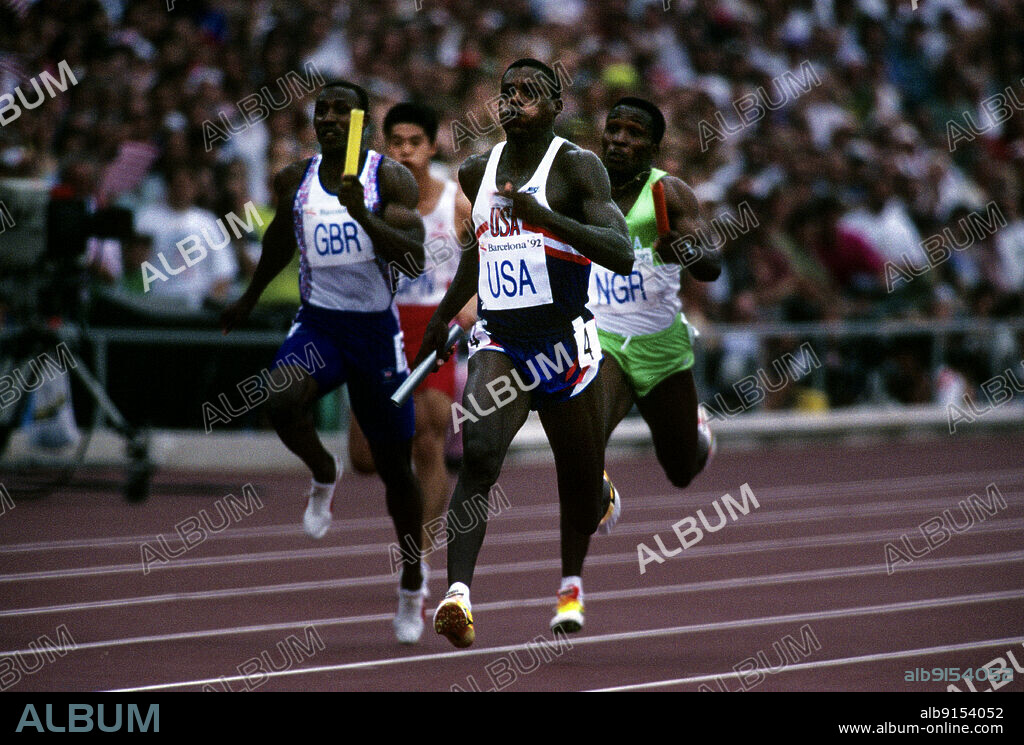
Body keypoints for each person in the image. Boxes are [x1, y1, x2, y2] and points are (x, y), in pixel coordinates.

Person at [413, 59, 633, 648]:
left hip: (563, 345)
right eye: (506, 92)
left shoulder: (577, 167)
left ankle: (598, 490)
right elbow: (478, 253)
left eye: (528, 93)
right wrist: (440, 317)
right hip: (502, 340)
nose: (513, 101)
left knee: (580, 491)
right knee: (480, 452)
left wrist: (547, 219)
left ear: (555, 103)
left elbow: (621, 251)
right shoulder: (476, 171)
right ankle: (459, 596)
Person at [220, 81, 430, 644]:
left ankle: (412, 581)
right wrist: (250, 295)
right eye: (323, 111)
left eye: (343, 110)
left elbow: (412, 258)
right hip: (320, 325)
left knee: (394, 469)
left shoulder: (390, 178)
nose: (330, 118)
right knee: (278, 398)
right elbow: (279, 244)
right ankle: (322, 470)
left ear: (363, 120)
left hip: (375, 333)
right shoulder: (298, 178)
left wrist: (362, 213)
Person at [347, 103, 476, 589]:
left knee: (430, 439)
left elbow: (485, 254)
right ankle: (406, 503)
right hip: (381, 321)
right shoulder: (366, 195)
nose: (404, 151)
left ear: (431, 145)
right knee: (364, 458)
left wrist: (471, 303)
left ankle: (418, 555)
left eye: (413, 143)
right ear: (385, 146)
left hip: (435, 324)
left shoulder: (455, 201)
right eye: (395, 142)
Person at [589, 97, 720, 485]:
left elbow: (711, 266)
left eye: (634, 134)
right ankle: (598, 496)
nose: (618, 140)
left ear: (653, 148)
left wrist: (683, 250)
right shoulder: (585, 187)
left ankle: (699, 437)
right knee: (585, 436)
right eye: (613, 130)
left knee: (681, 469)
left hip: (660, 341)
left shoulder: (669, 192)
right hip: (603, 335)